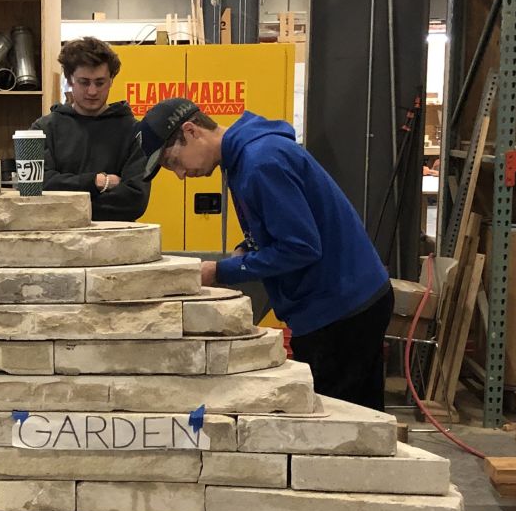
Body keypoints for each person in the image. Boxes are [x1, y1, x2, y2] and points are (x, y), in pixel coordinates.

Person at [138, 97, 392, 411]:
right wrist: (247, 250)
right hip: (340, 301)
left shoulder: (261, 161)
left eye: (173, 162)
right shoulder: (246, 158)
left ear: (191, 132)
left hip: (342, 308)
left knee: (344, 429)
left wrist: (221, 272)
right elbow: (281, 231)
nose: (179, 174)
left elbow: (300, 247)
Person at [31, 36, 157, 221]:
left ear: (111, 80)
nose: (92, 91)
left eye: (100, 83)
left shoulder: (135, 132)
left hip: (115, 242)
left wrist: (64, 201)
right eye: (84, 82)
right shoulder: (42, 130)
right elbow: (37, 186)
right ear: (70, 79)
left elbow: (134, 200)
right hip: (57, 239)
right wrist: (97, 182)